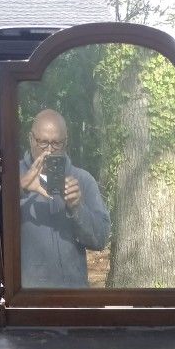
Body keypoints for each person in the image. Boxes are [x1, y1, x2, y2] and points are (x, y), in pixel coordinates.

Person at [19, 109, 110, 288]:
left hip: (73, 301)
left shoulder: (83, 180)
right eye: (43, 143)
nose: (49, 151)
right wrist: (19, 189)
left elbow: (100, 240)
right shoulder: (9, 176)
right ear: (31, 139)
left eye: (56, 143)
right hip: (27, 301)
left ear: (66, 142)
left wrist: (77, 208)